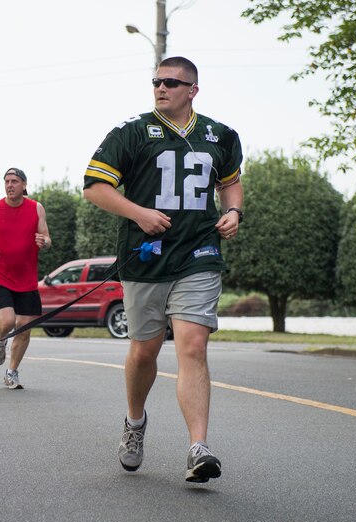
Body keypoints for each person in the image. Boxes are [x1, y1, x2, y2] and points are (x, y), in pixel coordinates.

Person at [83, 56, 244, 483]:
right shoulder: (131, 132)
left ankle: (198, 447)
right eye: (157, 81)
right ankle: (135, 422)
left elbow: (230, 180)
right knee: (144, 351)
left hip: (198, 253)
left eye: (172, 82)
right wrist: (138, 213)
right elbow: (94, 187)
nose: (161, 88)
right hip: (145, 256)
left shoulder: (220, 134)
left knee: (193, 346)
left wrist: (233, 211)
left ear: (193, 89)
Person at [0, 167, 51, 390]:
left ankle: (12, 372)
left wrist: (43, 242)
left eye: (14, 181)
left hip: (26, 276)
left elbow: (47, 238)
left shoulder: (36, 208)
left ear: (24, 185)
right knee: (7, 322)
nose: (9, 185)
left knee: (24, 327)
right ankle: (0, 340)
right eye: (7, 181)